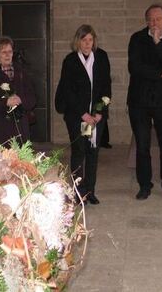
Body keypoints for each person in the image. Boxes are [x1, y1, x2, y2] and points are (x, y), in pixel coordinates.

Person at [127, 4, 162, 200]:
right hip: (139, 101)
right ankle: (144, 185)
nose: (154, 23)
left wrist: (159, 44)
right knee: (142, 147)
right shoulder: (137, 39)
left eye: (158, 19)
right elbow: (135, 67)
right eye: (150, 19)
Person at [55, 24, 111, 205]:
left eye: (90, 40)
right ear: (77, 41)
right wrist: (83, 114)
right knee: (79, 152)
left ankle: (90, 190)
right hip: (77, 116)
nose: (87, 43)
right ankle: (78, 193)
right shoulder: (70, 60)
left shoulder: (101, 57)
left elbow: (105, 87)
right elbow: (68, 91)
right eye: (84, 40)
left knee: (93, 152)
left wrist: (99, 111)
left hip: (96, 117)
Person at [0, 35, 36, 146]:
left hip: (20, 129)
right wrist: (6, 102)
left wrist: (21, 99)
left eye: (10, 51)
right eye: (3, 52)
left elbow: (32, 98)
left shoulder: (22, 72)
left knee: (21, 162)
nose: (8, 55)